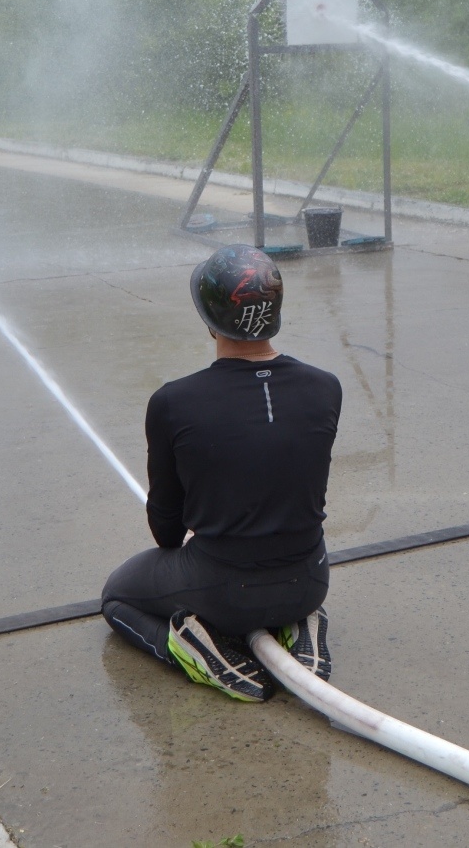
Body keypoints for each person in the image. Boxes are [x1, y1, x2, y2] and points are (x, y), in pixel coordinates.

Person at [100, 244, 340, 702]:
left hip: (223, 593)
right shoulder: (326, 388)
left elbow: (166, 533)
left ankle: (192, 647)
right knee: (285, 567)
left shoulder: (174, 402)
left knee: (117, 595)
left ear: (210, 321)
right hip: (311, 578)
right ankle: (301, 623)